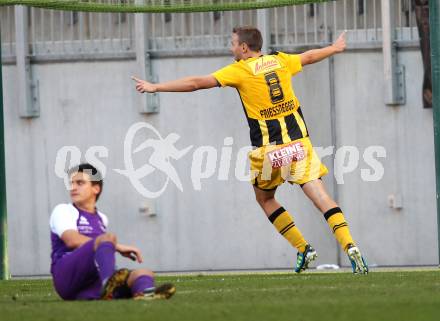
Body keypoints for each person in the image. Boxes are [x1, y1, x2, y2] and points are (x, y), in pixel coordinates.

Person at [132, 26, 368, 274]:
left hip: (269, 153)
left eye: (233, 43)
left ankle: (303, 248)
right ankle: (351, 247)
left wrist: (155, 87)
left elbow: (195, 84)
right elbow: (308, 57)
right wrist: (334, 48)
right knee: (323, 200)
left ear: (244, 48)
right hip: (299, 146)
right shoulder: (280, 60)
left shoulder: (240, 70)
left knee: (265, 199)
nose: (231, 47)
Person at [50, 163, 176, 300]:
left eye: (79, 183)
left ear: (95, 188)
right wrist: (116, 246)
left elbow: (101, 250)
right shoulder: (63, 210)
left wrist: (109, 246)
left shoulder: (102, 219)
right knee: (107, 238)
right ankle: (108, 285)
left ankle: (145, 294)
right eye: (72, 183)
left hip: (89, 282)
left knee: (143, 273)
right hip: (67, 276)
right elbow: (71, 240)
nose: (73, 187)